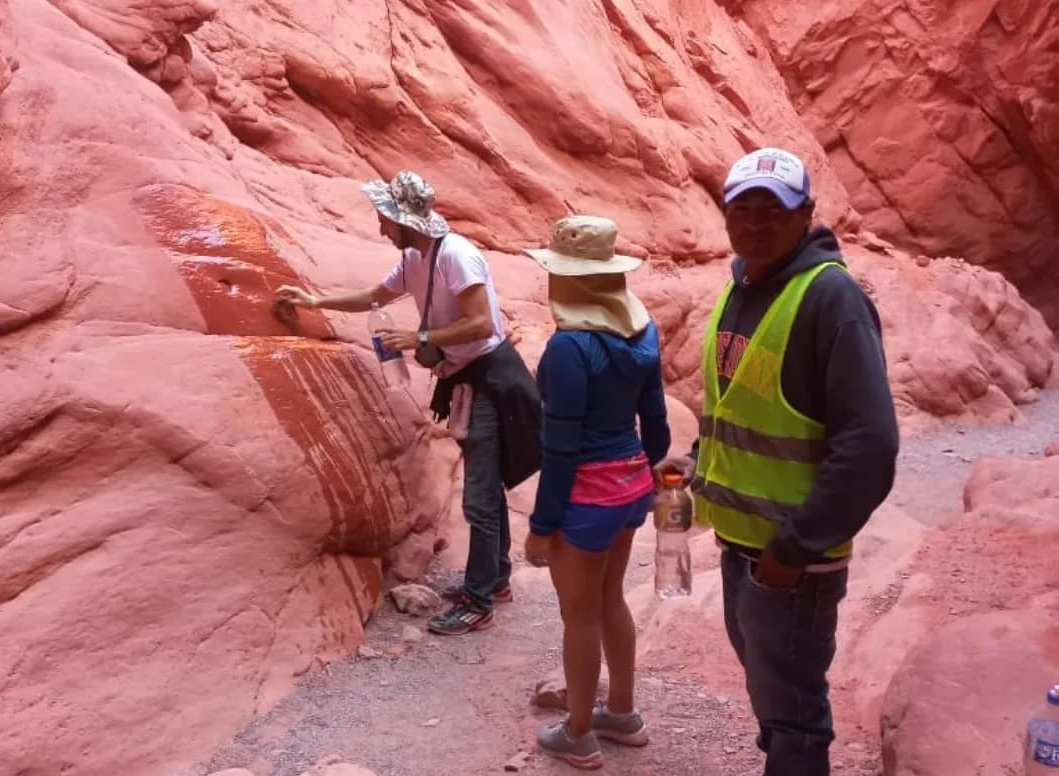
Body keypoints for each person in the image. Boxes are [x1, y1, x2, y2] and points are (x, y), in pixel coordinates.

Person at [657, 147, 900, 776]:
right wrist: (697, 465)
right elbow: (744, 407)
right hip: (745, 549)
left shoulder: (829, 299)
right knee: (775, 708)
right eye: (743, 209)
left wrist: (794, 550)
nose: (756, 223)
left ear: (805, 215)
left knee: (794, 720)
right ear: (726, 215)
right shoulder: (743, 286)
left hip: (793, 563)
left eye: (774, 210)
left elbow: (870, 445)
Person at [275, 170, 540, 637]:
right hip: (465, 377)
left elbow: (480, 324)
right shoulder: (416, 257)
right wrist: (314, 301)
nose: (380, 228)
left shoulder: (455, 256)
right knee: (486, 481)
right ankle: (494, 580)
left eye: (384, 220)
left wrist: (422, 337)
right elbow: (373, 297)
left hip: (490, 379)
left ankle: (479, 601)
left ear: (403, 219)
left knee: (479, 494)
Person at [521, 215, 671, 770]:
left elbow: (560, 449)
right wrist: (652, 472)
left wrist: (541, 526)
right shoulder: (643, 331)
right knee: (611, 600)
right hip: (630, 484)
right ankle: (623, 714)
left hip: (585, 499)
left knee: (579, 616)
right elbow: (654, 418)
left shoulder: (570, 347)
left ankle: (580, 732)